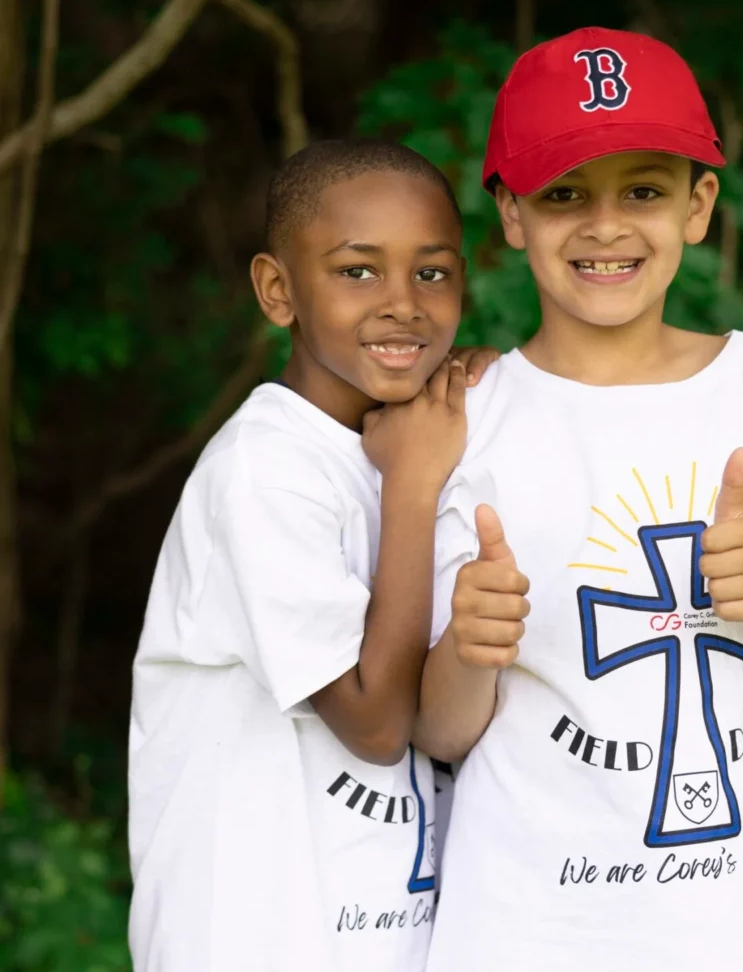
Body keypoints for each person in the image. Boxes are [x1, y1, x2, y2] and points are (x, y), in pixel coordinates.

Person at [414, 28, 743, 971]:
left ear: (699, 203)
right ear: (509, 214)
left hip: (729, 933)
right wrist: (469, 646)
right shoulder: (467, 417)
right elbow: (434, 730)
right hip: (522, 930)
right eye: (563, 195)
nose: (605, 227)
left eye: (643, 190)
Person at [128, 138, 495, 972]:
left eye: (432, 273)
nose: (402, 304)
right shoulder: (263, 470)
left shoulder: (430, 437)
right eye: (357, 271)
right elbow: (372, 722)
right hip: (252, 939)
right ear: (277, 290)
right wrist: (409, 489)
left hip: (390, 937)